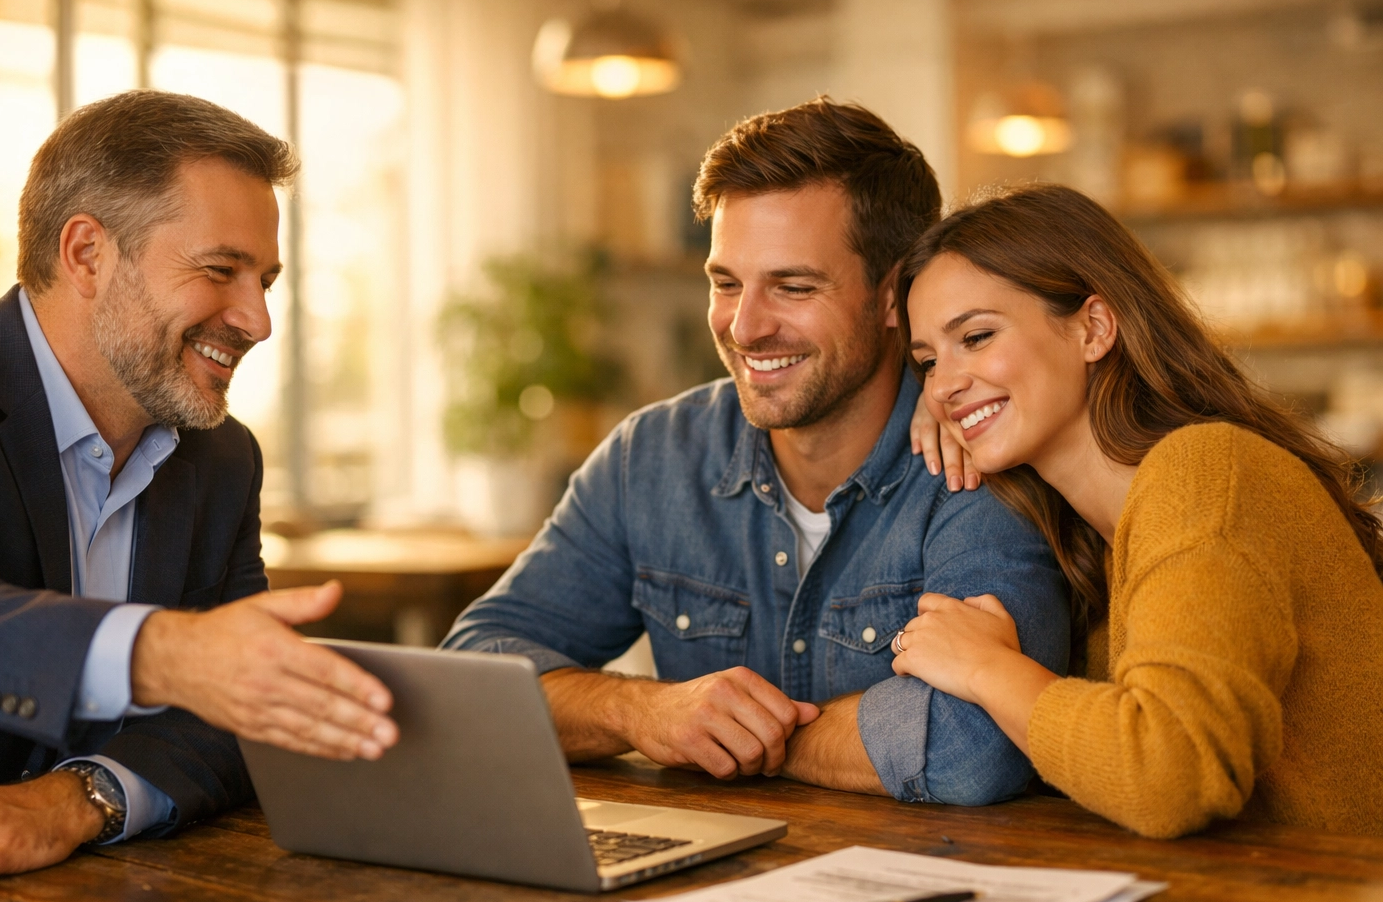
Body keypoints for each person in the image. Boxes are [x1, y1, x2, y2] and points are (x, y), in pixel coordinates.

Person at [0, 91, 400, 902]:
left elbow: (234, 723)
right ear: (88, 253)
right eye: (221, 270)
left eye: (267, 280)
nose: (258, 320)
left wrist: (79, 798)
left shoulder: (223, 460)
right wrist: (164, 654)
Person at [443, 98, 1070, 803]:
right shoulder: (651, 458)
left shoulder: (976, 463)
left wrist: (744, 736)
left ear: (896, 295)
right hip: (696, 890)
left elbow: (976, 746)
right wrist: (643, 711)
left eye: (793, 287)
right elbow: (475, 671)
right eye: (725, 283)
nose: (744, 327)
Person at [893, 183, 1383, 838]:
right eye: (926, 362)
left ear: (1094, 328)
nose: (945, 385)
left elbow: (1167, 775)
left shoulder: (1206, 473)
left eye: (976, 336)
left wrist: (986, 667)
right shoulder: (1094, 538)